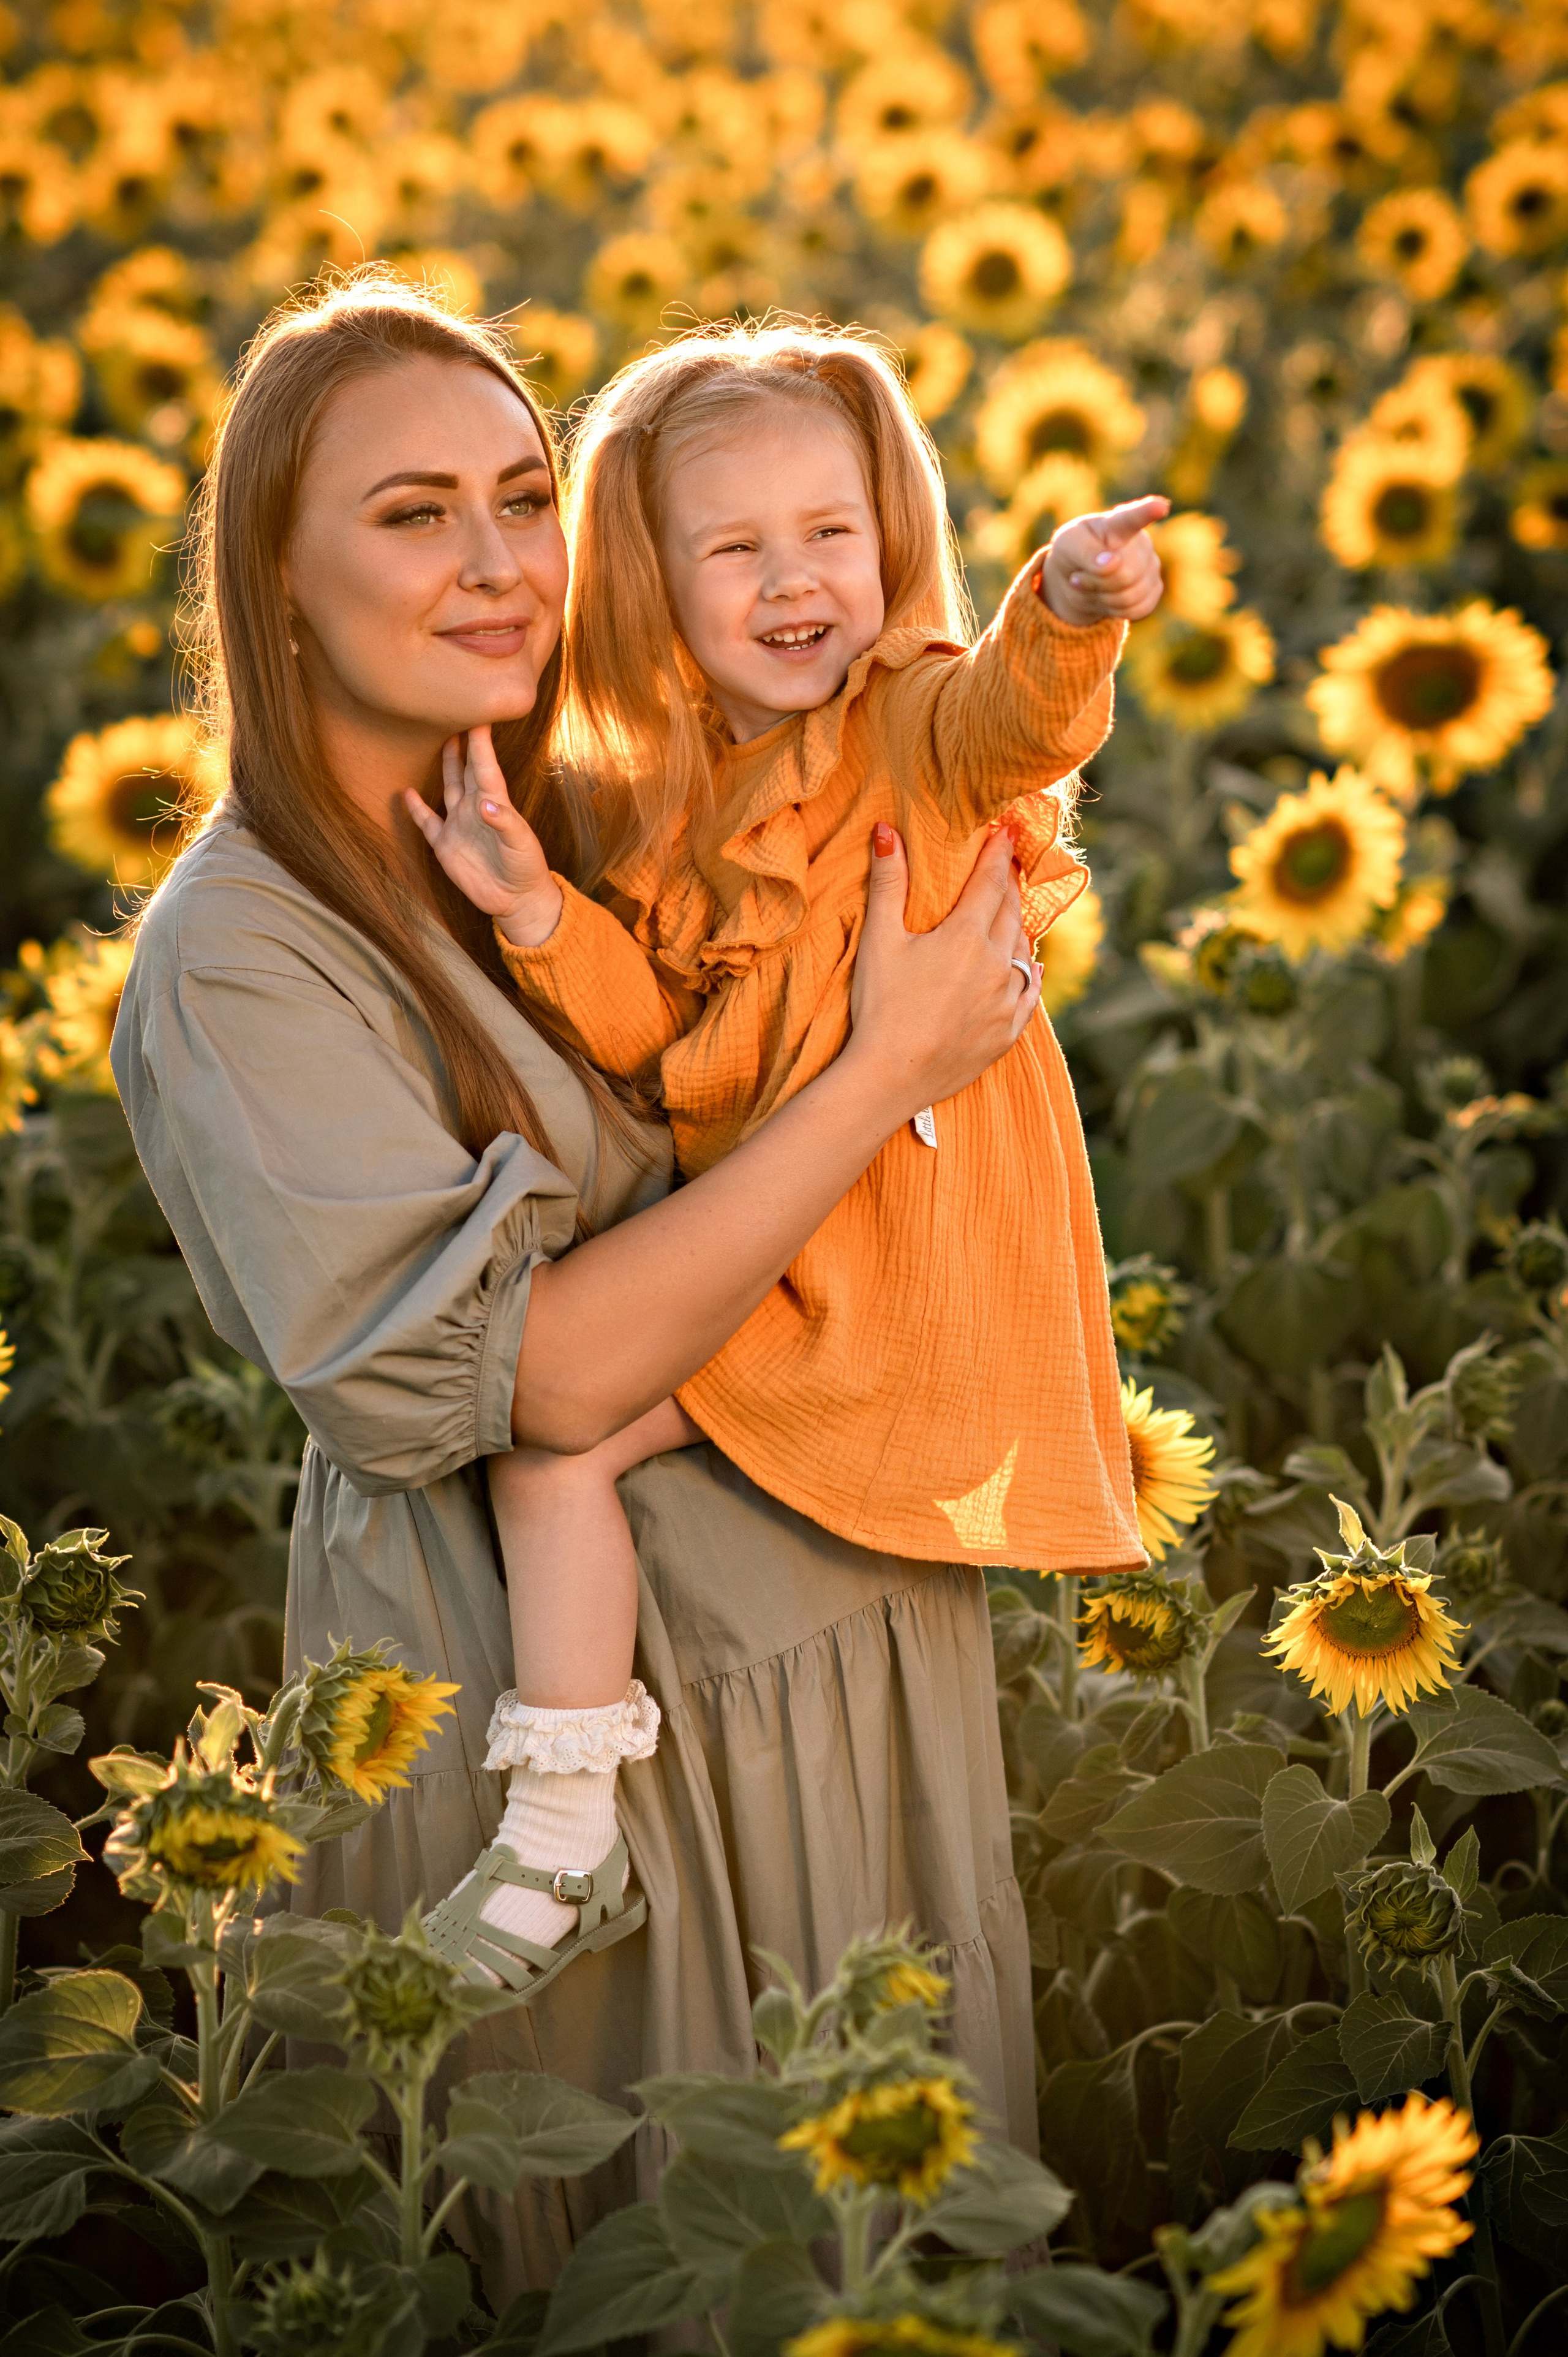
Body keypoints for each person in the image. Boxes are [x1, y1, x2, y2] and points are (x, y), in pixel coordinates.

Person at [109, 276, 1047, 2290]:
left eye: (522, 497)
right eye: (411, 512)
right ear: (272, 577)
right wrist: (893, 1065)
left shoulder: (577, 801)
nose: (494, 563)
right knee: (654, 2261)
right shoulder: (242, 953)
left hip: (832, 1652)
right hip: (564, 1754)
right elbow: (526, 1387)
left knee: (891, 2267)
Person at [412, 321, 1161, 1985]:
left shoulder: (909, 727)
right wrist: (536, 909)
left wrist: (1067, 610)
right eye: (733, 548)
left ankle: (555, 1843)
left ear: (889, 543)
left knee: (555, 1451)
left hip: (886, 1266)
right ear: (653, 590)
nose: (792, 579)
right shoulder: (677, 800)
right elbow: (659, 1041)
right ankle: (568, 1828)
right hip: (781, 1250)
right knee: (550, 1453)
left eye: (829, 533)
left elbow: (1017, 723)